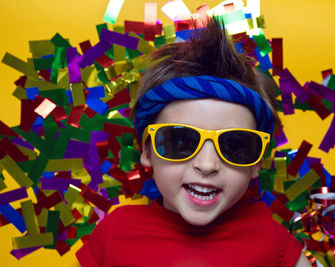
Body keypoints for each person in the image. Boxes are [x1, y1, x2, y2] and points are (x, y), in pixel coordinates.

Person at [76, 17, 311, 267]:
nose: (207, 165)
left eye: (235, 146)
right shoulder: (115, 232)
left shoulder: (271, 240)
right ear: (146, 149)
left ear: (257, 163)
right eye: (181, 141)